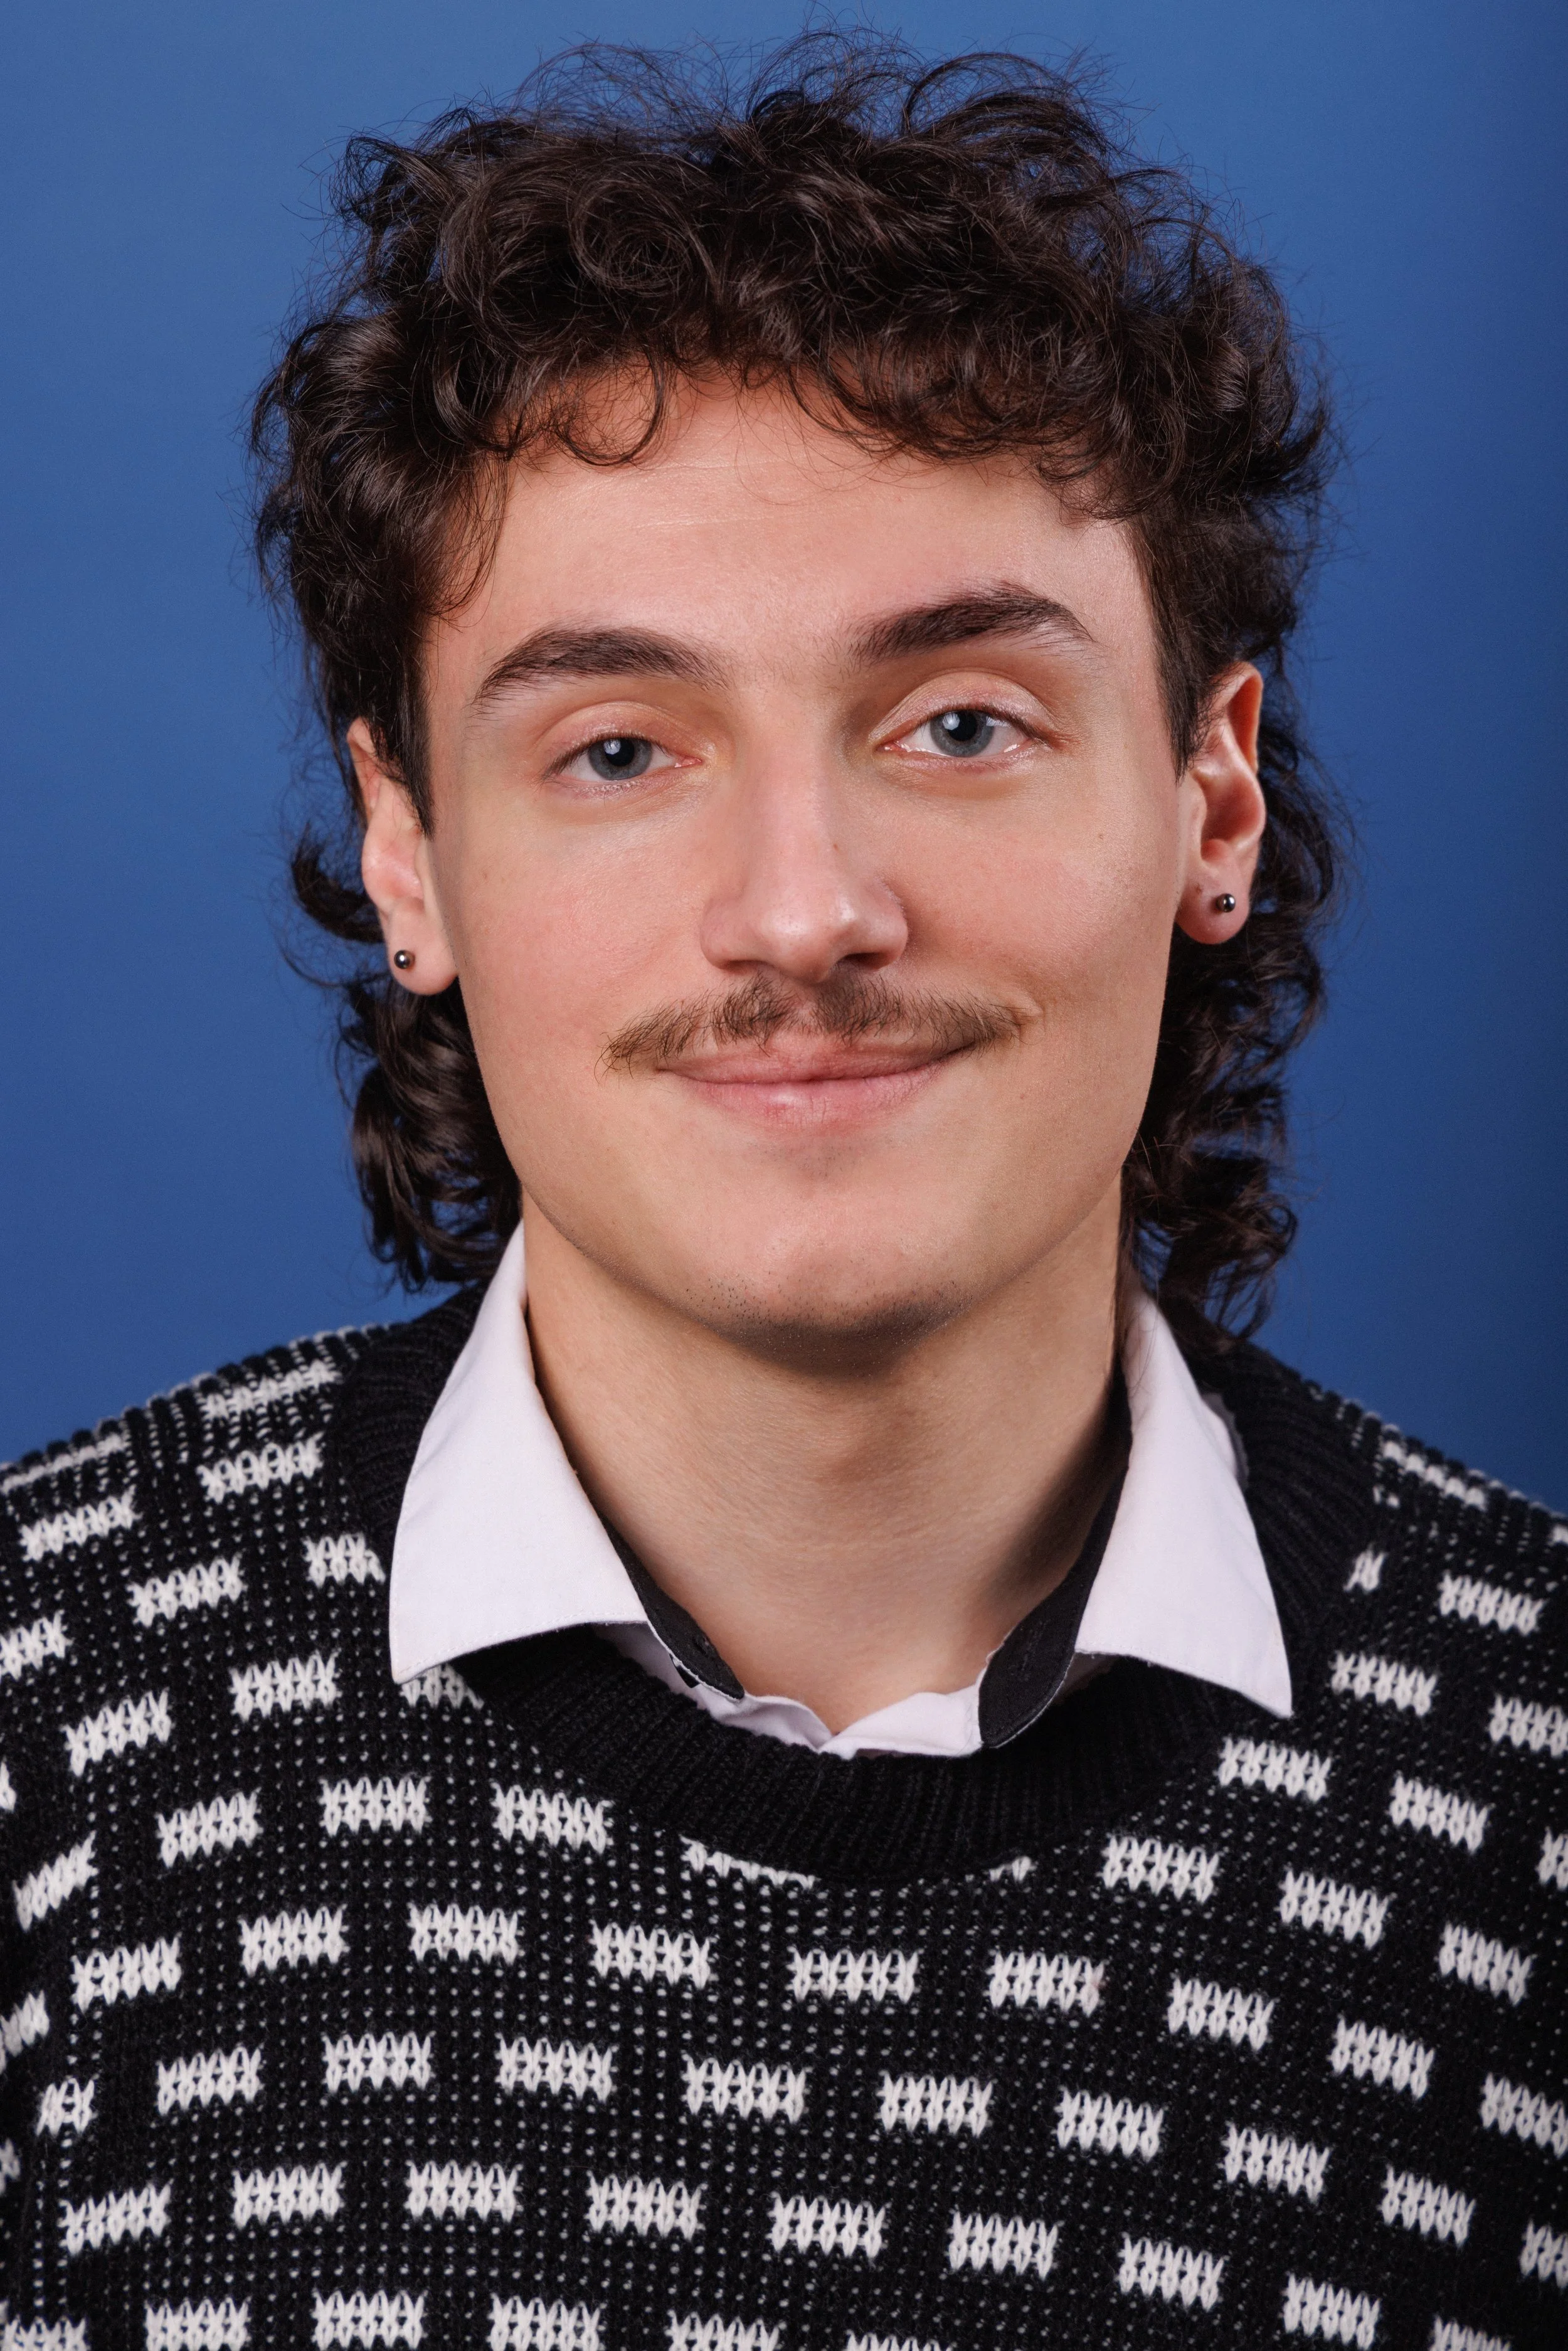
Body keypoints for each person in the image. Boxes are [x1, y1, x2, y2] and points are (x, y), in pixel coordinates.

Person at [2, 40, 1562, 2351]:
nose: (804, 910)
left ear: (1208, 797)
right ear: (410, 849)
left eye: (958, 721)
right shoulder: (39, 1722)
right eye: (618, 750)